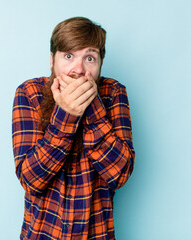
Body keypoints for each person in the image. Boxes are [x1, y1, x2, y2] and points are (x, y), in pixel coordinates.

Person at [12, 16, 135, 240]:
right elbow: (31, 180)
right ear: (52, 60)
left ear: (99, 65)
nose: (78, 70)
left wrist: (92, 107)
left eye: (89, 58)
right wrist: (66, 116)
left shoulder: (114, 93)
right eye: (69, 56)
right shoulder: (29, 93)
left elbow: (120, 174)